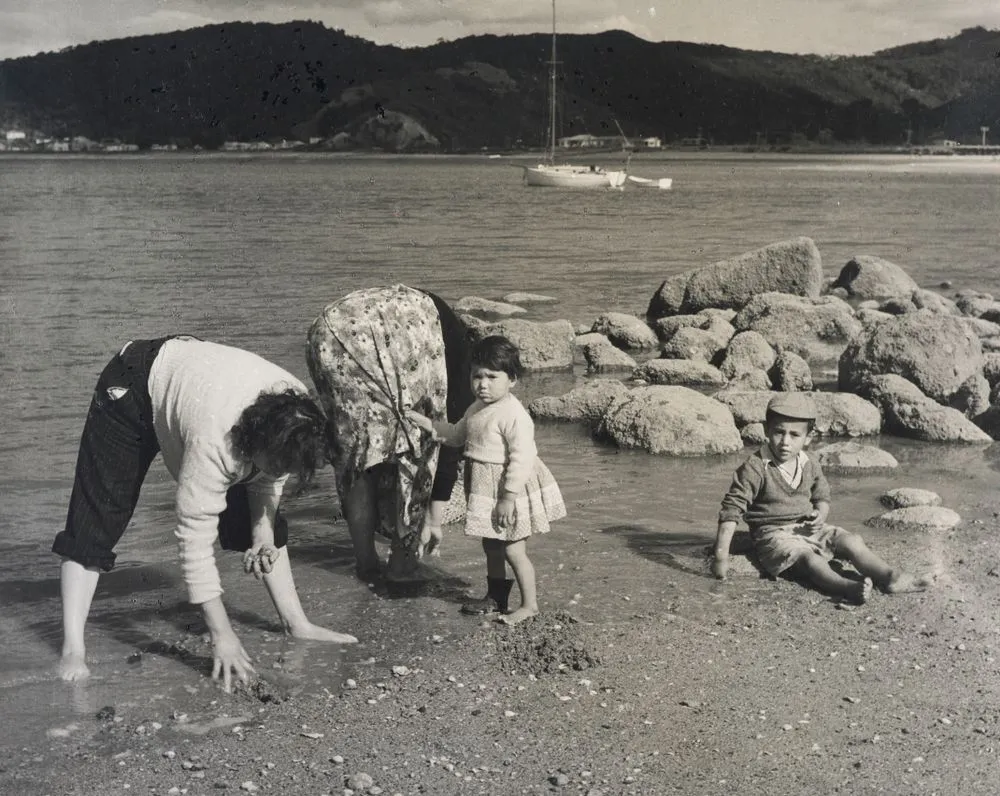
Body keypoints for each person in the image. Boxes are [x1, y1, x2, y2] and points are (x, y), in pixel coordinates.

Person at [53, 336, 357, 691]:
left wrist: (261, 536)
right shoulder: (216, 442)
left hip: (197, 381)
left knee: (264, 521)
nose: (279, 470)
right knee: (98, 518)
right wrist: (222, 635)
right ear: (256, 442)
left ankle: (296, 623)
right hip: (133, 386)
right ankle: (72, 648)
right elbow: (194, 541)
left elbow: (269, 479)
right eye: (275, 462)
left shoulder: (299, 418)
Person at [307, 285, 474, 581]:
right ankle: (402, 562)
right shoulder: (461, 357)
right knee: (420, 441)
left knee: (355, 455)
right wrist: (434, 519)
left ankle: (365, 562)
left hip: (329, 328)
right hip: (387, 334)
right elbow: (446, 438)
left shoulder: (434, 311)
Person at [712, 392, 935, 604]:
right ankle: (846, 587)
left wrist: (820, 515)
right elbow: (732, 510)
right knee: (810, 560)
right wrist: (721, 558)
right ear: (766, 431)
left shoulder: (809, 462)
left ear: (808, 438)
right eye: (779, 432)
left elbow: (822, 497)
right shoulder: (755, 467)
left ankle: (890, 577)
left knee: (852, 541)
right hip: (773, 535)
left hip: (807, 527)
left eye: (795, 435)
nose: (785, 442)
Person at [407, 335, 566, 624]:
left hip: (508, 489)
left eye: (492, 377)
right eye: (476, 376)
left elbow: (523, 457)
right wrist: (430, 425)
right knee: (491, 544)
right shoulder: (476, 409)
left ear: (513, 379)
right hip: (484, 485)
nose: (482, 384)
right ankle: (496, 598)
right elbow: (456, 434)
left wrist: (508, 497)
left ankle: (530, 605)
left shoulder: (513, 414)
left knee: (513, 548)